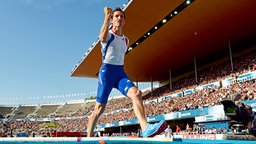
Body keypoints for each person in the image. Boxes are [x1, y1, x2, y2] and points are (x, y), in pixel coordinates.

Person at [86, 7, 166, 138]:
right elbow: (101, 37)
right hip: (106, 73)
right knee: (99, 109)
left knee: (137, 93)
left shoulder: (126, 40)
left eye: (121, 17)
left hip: (120, 73)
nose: (119, 18)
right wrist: (106, 17)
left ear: (124, 21)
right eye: (116, 16)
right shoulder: (108, 35)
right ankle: (88, 138)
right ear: (112, 19)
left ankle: (145, 128)